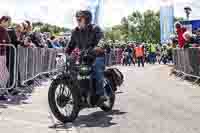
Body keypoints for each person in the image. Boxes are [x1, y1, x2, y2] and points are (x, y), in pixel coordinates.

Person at [66, 10, 105, 105]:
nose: (78, 21)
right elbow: (71, 45)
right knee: (74, 71)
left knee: (96, 69)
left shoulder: (95, 29)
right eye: (77, 19)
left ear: (87, 20)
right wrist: (66, 53)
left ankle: (101, 95)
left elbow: (102, 40)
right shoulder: (75, 31)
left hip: (97, 56)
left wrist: (98, 47)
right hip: (84, 57)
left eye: (80, 19)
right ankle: (78, 95)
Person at [0, 16, 11, 100]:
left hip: (3, 54)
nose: (9, 24)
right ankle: (1, 93)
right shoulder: (1, 29)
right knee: (4, 75)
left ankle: (2, 92)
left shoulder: (4, 30)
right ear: (3, 21)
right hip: (0, 55)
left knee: (5, 75)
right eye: (8, 22)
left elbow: (8, 41)